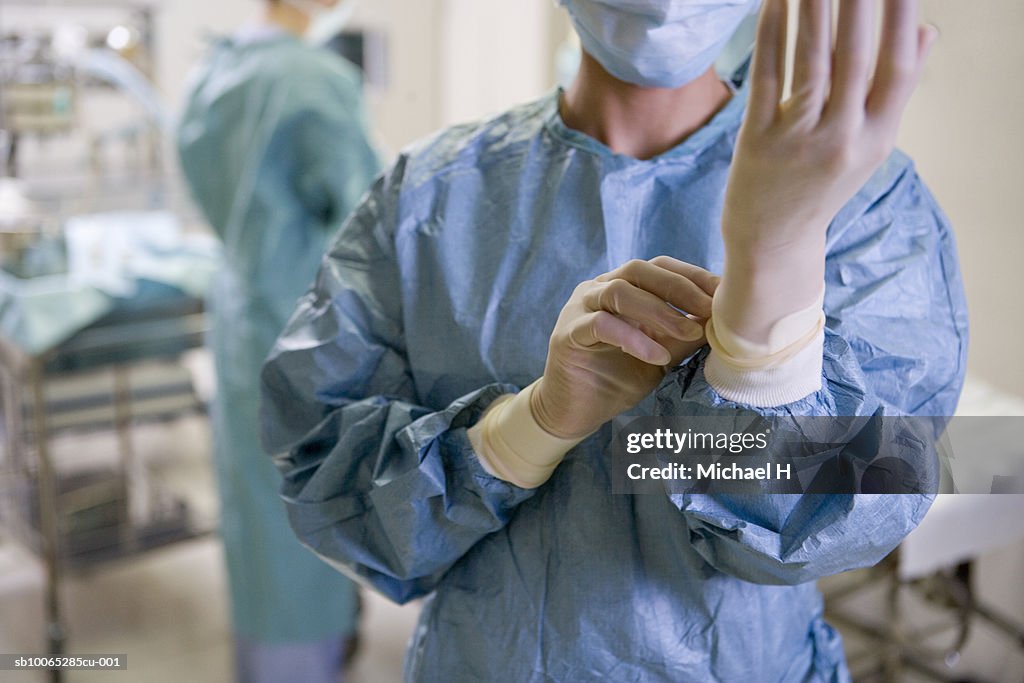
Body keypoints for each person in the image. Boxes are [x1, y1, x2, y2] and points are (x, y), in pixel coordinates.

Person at [260, 0, 968, 680]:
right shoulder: (429, 198)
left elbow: (852, 503)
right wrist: (527, 426)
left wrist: (773, 279)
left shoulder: (860, 199)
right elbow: (329, 482)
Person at [176, 1, 380, 680]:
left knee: (254, 505)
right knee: (304, 504)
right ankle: (298, 658)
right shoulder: (313, 81)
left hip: (241, 315)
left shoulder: (215, 75)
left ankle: (265, 653)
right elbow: (366, 223)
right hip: (306, 327)